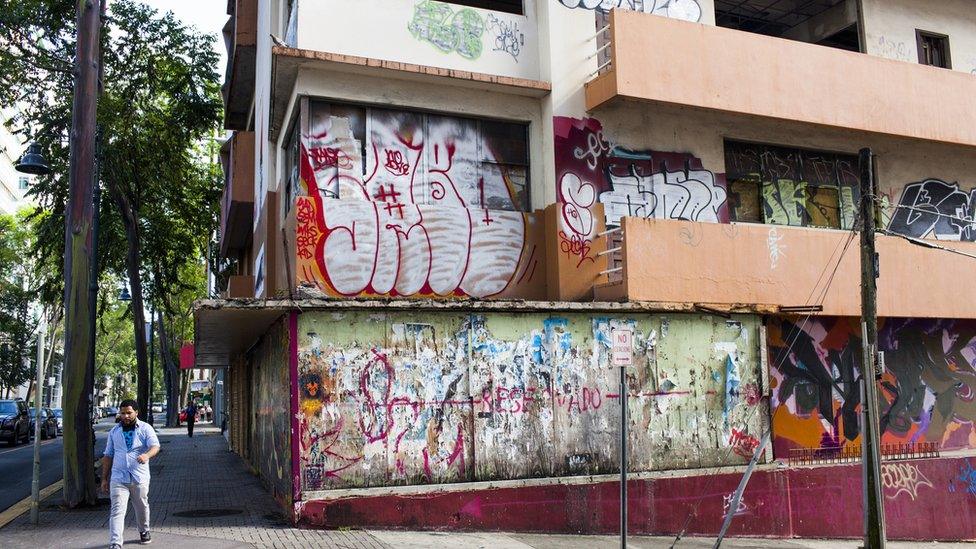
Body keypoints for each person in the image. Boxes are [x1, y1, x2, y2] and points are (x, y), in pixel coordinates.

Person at [100, 399, 160, 548]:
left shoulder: (145, 428)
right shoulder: (114, 432)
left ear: (136, 413)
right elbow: (108, 455)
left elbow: (155, 446)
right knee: (117, 510)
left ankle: (144, 530)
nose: (125, 416)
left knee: (141, 507)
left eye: (129, 413)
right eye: (123, 413)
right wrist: (104, 479)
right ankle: (115, 542)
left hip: (139, 477)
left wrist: (147, 455)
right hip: (118, 478)